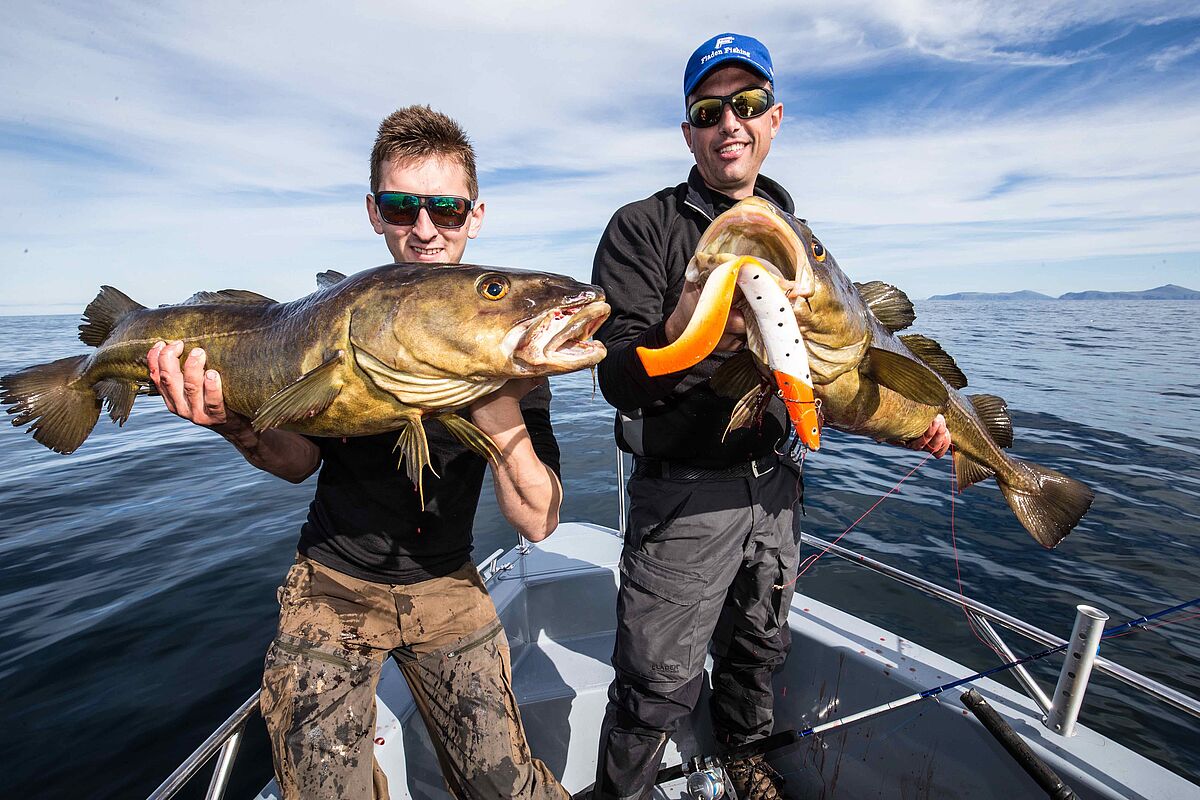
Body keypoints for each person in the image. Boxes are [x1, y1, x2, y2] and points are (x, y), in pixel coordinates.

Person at [146, 106, 568, 800]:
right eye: (403, 206)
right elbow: (298, 462)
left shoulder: (511, 358)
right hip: (331, 581)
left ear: (476, 214)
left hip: (449, 584)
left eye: (447, 209)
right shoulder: (334, 321)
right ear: (375, 211)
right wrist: (236, 426)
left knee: (506, 786)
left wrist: (498, 406)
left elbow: (539, 521)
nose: (425, 228)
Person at [589, 34, 951, 800]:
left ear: (774, 118)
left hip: (776, 484)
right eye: (709, 109)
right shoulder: (641, 228)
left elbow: (835, 369)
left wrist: (917, 417)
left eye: (747, 105)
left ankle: (747, 761)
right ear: (689, 130)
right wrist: (693, 327)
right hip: (683, 497)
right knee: (657, 681)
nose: (731, 123)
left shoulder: (798, 233)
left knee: (760, 647)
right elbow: (618, 376)